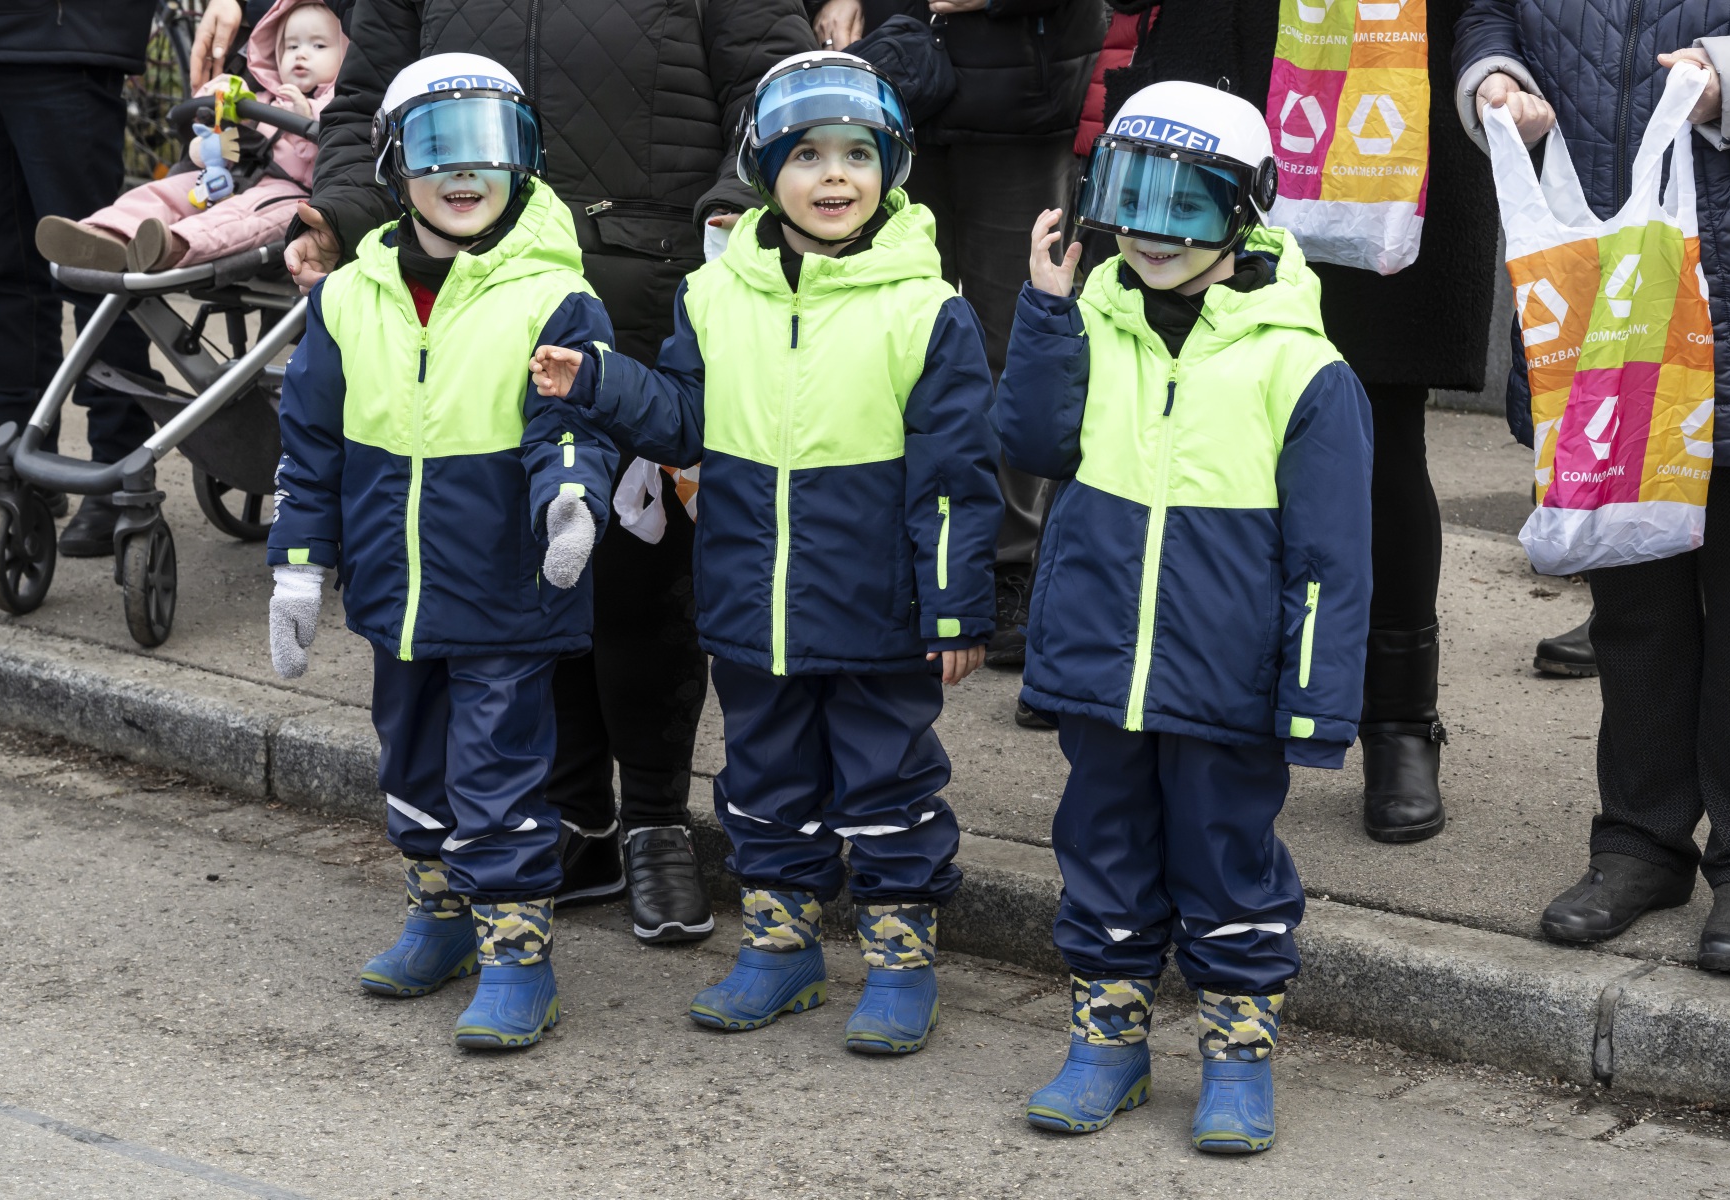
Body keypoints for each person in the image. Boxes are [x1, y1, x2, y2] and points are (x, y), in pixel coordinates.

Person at [252, 0, 815, 945]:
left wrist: (734, 204)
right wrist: (339, 212)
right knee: (509, 569)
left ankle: (654, 821)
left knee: (640, 579)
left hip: (649, 288)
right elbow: (364, 102)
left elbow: (772, 85)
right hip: (463, 288)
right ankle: (571, 816)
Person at [530, 51, 1001, 1055]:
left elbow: (957, 477)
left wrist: (958, 607)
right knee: (761, 783)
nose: (835, 176)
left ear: (890, 169)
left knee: (888, 787)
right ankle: (782, 948)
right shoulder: (714, 295)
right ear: (763, 171)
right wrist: (602, 381)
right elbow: (684, 420)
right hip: (751, 607)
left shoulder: (927, 309)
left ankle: (900, 963)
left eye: (858, 155)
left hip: (877, 615)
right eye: (808, 156)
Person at [999, 82, 1372, 1149]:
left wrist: (1316, 701)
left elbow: (1333, 561)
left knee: (1226, 861)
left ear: (1248, 210)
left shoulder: (1302, 367)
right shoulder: (1089, 317)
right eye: (1130, 196)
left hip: (1227, 682)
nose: (1151, 231)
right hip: (1100, 668)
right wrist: (1045, 309)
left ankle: (1237, 1055)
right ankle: (1107, 1045)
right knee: (1101, 850)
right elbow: (1032, 443)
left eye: (1188, 205)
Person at [1081, 1, 1501, 843]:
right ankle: (1132, 674)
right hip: (1217, 99)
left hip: (1382, 106)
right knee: (1159, 402)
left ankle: (1398, 719)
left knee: (1379, 432)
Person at [266, 55, 619, 1047]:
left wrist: (571, 500)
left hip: (509, 591)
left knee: (498, 776)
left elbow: (573, 426)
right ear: (391, 162)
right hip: (397, 592)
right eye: (435, 148)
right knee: (412, 763)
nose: (464, 173)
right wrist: (299, 566)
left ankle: (517, 955)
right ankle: (441, 915)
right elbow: (312, 444)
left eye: (489, 148)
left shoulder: (554, 296)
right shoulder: (346, 298)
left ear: (523, 160)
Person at [1454, 2, 1730, 975]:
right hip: (1603, 292)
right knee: (1635, 608)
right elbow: (1490, 12)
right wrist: (1495, 77)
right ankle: (1639, 841)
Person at [812, 0, 1104, 676]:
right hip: (895, 96)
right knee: (885, 340)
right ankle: (901, 551)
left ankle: (1008, 564)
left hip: (1019, 104)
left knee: (1015, 345)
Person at [0, 0, 161, 556]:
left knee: (95, 270)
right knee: (3, 268)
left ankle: (118, 467)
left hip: (65, 32)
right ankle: (9, 457)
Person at [36, 0, 345, 274]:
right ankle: (107, 231)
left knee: (241, 217)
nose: (301, 54)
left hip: (292, 194)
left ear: (346, 54)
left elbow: (338, 159)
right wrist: (219, 103)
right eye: (291, 46)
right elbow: (219, 133)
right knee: (169, 190)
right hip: (229, 176)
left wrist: (308, 116)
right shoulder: (261, 97)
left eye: (318, 46)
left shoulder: (339, 107)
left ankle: (172, 244)